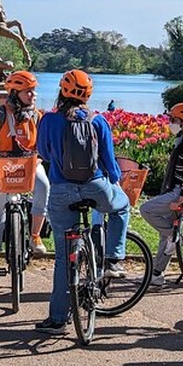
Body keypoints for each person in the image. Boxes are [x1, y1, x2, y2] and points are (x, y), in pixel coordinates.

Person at [34, 69, 130, 335]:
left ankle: (56, 320)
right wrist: (115, 181)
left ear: (62, 91)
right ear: (88, 95)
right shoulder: (97, 120)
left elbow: (43, 152)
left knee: (64, 257)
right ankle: (113, 258)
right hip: (95, 186)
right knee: (121, 206)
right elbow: (110, 163)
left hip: (61, 191)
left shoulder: (49, 120)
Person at [0, 71, 50, 293]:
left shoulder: (37, 116)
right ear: (15, 92)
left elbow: (43, 148)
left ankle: (35, 237)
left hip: (28, 166)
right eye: (28, 91)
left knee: (44, 186)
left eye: (34, 90)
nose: (33, 94)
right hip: (1, 169)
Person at [139, 103, 183, 287]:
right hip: (180, 190)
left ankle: (175, 235)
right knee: (165, 235)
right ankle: (157, 274)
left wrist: (180, 200)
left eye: (174, 120)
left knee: (146, 210)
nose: (170, 123)